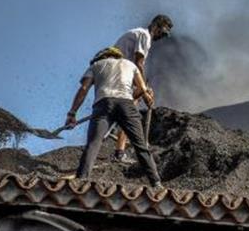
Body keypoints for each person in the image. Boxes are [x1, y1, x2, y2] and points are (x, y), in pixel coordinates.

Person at [65, 46, 163, 189]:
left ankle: (81, 180)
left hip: (103, 104)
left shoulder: (95, 65)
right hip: (126, 104)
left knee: (93, 143)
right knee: (140, 146)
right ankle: (157, 183)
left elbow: (84, 89)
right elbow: (142, 89)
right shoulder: (130, 65)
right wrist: (140, 98)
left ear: (103, 57)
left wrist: (72, 113)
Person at [109, 14, 174, 163]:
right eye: (162, 33)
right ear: (156, 26)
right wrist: (144, 90)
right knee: (130, 109)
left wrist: (142, 89)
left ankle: (117, 132)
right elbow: (138, 63)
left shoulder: (138, 34)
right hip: (118, 73)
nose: (162, 37)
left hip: (114, 72)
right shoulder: (144, 35)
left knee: (133, 102)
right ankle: (119, 152)